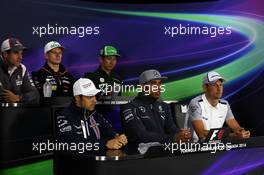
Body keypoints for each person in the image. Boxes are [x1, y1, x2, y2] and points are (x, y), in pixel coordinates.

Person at [56, 78, 128, 150]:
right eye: (90, 97)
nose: (95, 100)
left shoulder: (95, 115)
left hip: (95, 160)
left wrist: (118, 138)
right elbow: (75, 144)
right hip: (73, 160)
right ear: (77, 98)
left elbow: (109, 131)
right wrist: (105, 143)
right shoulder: (63, 117)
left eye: (94, 96)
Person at [122, 69, 191, 143]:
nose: (158, 87)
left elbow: (172, 129)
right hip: (140, 153)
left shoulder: (164, 106)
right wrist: (173, 138)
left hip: (164, 151)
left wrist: (182, 134)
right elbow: (141, 135)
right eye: (153, 83)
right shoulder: (130, 106)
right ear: (142, 87)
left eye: (159, 83)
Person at [186, 71, 250, 142]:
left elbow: (235, 127)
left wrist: (242, 132)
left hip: (216, 147)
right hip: (194, 149)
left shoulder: (225, 104)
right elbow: (201, 134)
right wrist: (231, 136)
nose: (219, 89)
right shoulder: (195, 103)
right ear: (205, 87)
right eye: (214, 85)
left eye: (220, 85)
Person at [0, 38, 39, 104]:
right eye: (16, 53)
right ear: (5, 54)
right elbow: (3, 96)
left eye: (21, 53)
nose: (20, 57)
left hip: (16, 112)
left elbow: (35, 94)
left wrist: (18, 97)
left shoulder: (22, 68)